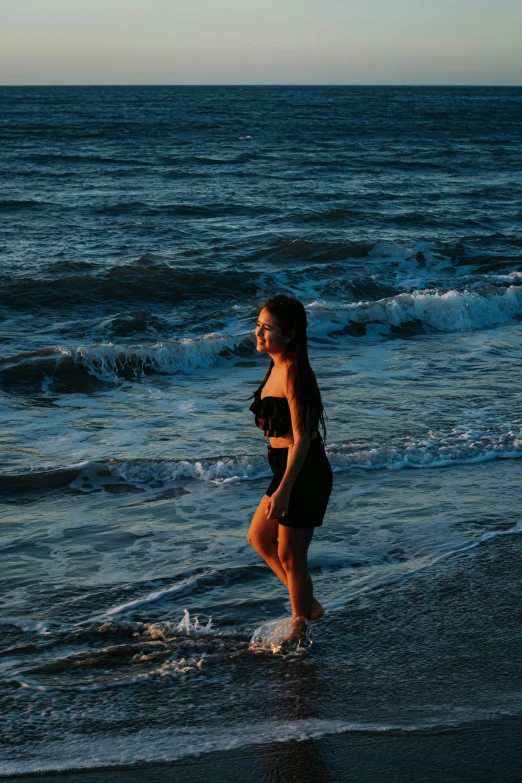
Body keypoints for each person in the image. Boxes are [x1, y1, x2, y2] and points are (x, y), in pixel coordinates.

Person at [247, 294, 333, 634]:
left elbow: (302, 439)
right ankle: (307, 604)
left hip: (304, 472)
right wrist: (281, 484)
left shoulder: (295, 374)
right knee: (258, 536)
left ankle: (300, 630)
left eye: (267, 328)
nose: (258, 334)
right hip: (285, 470)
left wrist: (283, 491)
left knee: (292, 556)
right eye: (257, 326)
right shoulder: (275, 367)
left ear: (290, 334)